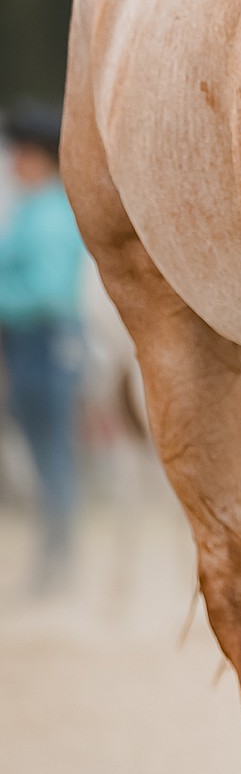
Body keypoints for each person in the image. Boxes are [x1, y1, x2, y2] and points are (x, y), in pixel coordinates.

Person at [0, 101, 87, 594]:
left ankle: (59, 562)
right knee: (42, 456)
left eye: (19, 155)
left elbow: (49, 292)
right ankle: (51, 558)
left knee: (52, 456)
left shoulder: (50, 216)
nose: (13, 164)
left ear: (37, 159)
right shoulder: (33, 211)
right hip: (31, 347)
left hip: (44, 344)